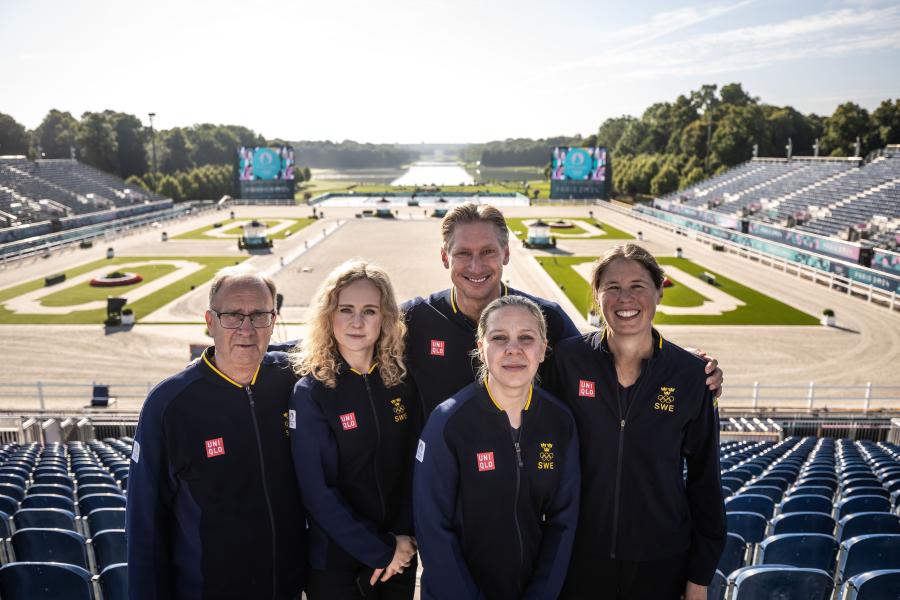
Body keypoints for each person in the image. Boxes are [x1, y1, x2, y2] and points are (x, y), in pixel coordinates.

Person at [401, 202, 723, 420]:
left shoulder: (547, 318)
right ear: (445, 257)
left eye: (488, 252)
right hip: (439, 488)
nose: (476, 266)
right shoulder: (412, 320)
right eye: (463, 254)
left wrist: (684, 366)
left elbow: (603, 362)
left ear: (507, 254)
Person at [548, 244, 725, 600]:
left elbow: (706, 483)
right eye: (611, 287)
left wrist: (699, 578)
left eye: (637, 286)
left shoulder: (692, 376)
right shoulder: (567, 361)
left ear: (659, 290)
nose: (624, 298)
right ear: (597, 296)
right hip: (579, 557)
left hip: (662, 562)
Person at [126, 265, 306, 599]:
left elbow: (334, 339)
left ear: (274, 320)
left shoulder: (291, 378)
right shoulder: (168, 405)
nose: (247, 329)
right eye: (233, 316)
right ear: (210, 322)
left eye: (260, 316)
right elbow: (144, 527)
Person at [414, 295, 580, 599]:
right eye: (499, 337)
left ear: (543, 349)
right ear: (481, 348)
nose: (513, 349)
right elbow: (433, 528)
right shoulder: (448, 422)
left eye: (526, 338)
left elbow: (564, 522)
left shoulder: (560, 421)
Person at [288, 259, 418, 600]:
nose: (357, 322)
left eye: (369, 311)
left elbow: (411, 469)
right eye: (346, 309)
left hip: (398, 558)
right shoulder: (312, 392)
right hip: (338, 566)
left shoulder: (400, 383)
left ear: (385, 318)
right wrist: (379, 550)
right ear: (329, 316)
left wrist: (402, 541)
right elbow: (318, 493)